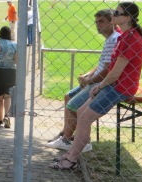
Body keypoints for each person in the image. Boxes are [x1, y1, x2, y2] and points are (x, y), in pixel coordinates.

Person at [50, 2, 142, 170]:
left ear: (127, 18)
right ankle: (70, 153)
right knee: (81, 113)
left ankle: (72, 159)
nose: (113, 16)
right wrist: (98, 83)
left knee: (85, 117)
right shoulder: (125, 35)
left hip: (120, 87)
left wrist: (99, 85)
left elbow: (115, 72)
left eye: (117, 13)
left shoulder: (130, 38)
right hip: (115, 85)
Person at [45, 9, 120, 152]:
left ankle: (70, 140)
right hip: (94, 80)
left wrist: (90, 81)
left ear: (112, 21)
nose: (98, 25)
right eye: (96, 22)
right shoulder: (110, 39)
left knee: (73, 105)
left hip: (100, 83)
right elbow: (101, 64)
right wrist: (87, 76)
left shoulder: (114, 39)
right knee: (68, 96)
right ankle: (66, 134)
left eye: (102, 21)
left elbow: (108, 69)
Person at [0, 26, 17, 128]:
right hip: (10, 72)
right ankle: (7, 115)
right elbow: (16, 60)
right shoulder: (14, 45)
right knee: (7, 96)